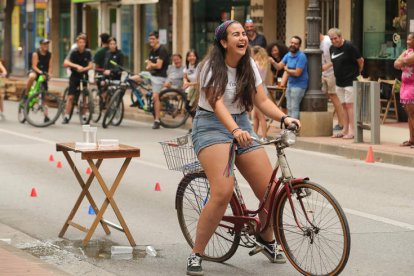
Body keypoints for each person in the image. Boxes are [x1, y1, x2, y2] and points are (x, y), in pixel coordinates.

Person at [186, 20, 300, 276]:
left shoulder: (249, 65)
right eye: (235, 34)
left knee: (271, 193)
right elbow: (216, 103)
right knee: (223, 190)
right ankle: (196, 252)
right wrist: (235, 132)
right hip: (211, 125)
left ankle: (265, 237)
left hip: (242, 123)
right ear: (224, 42)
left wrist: (284, 118)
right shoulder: (209, 67)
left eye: (244, 34)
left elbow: (261, 100)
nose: (242, 38)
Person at [328, 28, 364, 139]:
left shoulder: (349, 46)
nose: (334, 41)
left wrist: (358, 72)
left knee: (350, 105)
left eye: (336, 38)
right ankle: (345, 129)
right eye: (332, 39)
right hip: (339, 81)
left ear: (340, 37)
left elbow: (361, 60)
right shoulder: (332, 48)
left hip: (351, 80)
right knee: (343, 105)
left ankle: (352, 131)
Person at [273, 36, 308, 119]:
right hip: (290, 84)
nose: (293, 45)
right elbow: (278, 66)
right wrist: (273, 61)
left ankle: (294, 128)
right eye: (292, 43)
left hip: (299, 85)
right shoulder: (288, 55)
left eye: (295, 44)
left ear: (299, 46)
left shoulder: (301, 56)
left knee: (294, 107)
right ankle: (290, 127)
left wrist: (287, 70)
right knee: (289, 107)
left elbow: (297, 73)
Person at [62, 35, 93, 124]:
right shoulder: (73, 52)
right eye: (80, 42)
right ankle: (67, 115)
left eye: (83, 42)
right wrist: (76, 66)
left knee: (84, 96)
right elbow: (65, 63)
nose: (82, 44)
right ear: (77, 43)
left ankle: (84, 115)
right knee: (71, 97)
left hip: (84, 75)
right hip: (74, 75)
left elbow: (91, 65)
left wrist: (84, 69)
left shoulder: (88, 52)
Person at [320, 33, 345, 132]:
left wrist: (328, 65)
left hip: (332, 73)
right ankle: (324, 122)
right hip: (324, 74)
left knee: (335, 97)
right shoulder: (316, 43)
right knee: (322, 97)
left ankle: (341, 123)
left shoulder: (327, 42)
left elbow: (338, 55)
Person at [145, 31, 170, 129]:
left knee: (155, 97)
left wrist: (151, 64)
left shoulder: (162, 49)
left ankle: (157, 120)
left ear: (157, 39)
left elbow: (159, 66)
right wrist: (150, 65)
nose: (151, 41)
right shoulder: (152, 50)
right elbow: (148, 67)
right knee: (134, 78)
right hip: (152, 75)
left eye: (153, 39)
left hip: (160, 77)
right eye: (150, 39)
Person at [394, 32, 414, 148]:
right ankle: (411, 140)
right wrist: (402, 61)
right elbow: (396, 63)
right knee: (409, 115)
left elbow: (404, 61)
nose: (407, 42)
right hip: (405, 87)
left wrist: (402, 61)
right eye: (407, 39)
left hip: (412, 87)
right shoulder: (407, 52)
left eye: (410, 40)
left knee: (413, 114)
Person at [251, 45, 270, 141]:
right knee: (255, 115)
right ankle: (254, 135)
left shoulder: (255, 63)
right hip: (263, 86)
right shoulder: (263, 63)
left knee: (260, 115)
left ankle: (264, 136)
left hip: (257, 88)